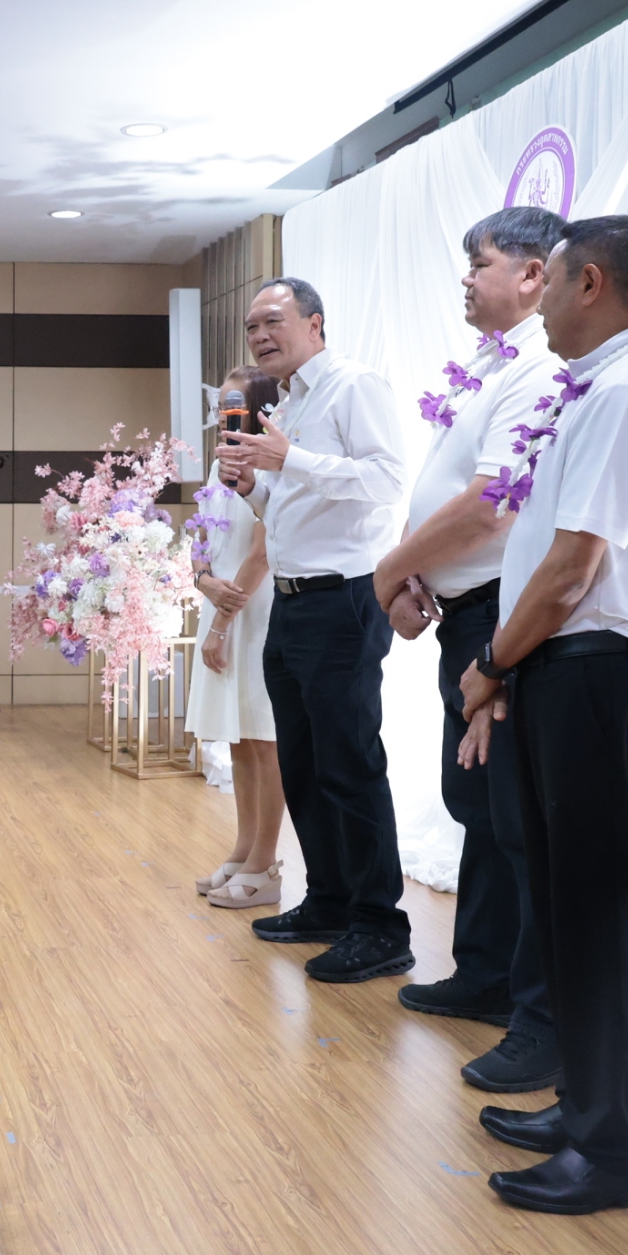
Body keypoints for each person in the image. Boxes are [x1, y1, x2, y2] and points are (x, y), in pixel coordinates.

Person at [455, 217, 628, 1216]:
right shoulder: (601, 386)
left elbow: (570, 569)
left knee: (601, 919)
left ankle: (614, 1152)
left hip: (601, 676)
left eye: (548, 282)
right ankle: (586, 1107)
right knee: (567, 909)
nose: (538, 301)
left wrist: (488, 663)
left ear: (589, 282)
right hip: (568, 673)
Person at [371, 206, 566, 1094]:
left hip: (502, 609)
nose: (465, 277)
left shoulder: (538, 368)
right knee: (477, 798)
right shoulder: (492, 362)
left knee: (508, 809)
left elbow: (493, 506)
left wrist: (392, 567)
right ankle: (484, 970)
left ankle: (527, 1007)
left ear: (532, 274)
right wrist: (420, 574)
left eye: (479, 263)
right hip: (463, 606)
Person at [218, 277, 409, 984]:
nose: (260, 335)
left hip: (344, 598)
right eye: (251, 327)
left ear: (315, 323)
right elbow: (290, 505)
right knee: (302, 762)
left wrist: (287, 460)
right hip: (292, 601)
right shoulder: (290, 401)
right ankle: (328, 900)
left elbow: (386, 481)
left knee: (349, 764)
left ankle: (379, 926)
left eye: (273, 320)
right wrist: (253, 486)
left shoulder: (355, 386)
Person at [184, 368, 285, 909]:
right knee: (239, 737)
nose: (225, 414)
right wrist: (202, 579)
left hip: (255, 608)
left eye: (234, 405)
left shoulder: (273, 462)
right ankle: (244, 850)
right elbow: (200, 535)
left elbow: (263, 552)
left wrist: (223, 618)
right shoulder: (218, 463)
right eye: (221, 405)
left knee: (265, 738)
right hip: (220, 601)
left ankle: (266, 863)